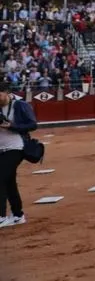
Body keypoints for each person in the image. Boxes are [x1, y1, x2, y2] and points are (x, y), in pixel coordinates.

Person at [0, 86, 37, 228]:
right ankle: (17, 215)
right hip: (1, 149)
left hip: (16, 147)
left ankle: (1, 216)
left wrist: (11, 126)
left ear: (7, 93)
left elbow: (32, 124)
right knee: (9, 182)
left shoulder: (20, 105)